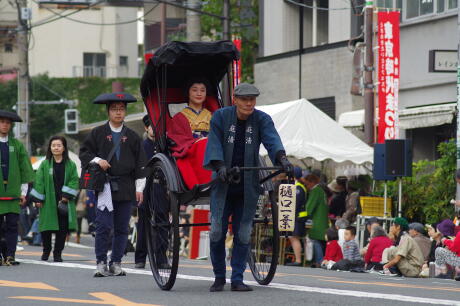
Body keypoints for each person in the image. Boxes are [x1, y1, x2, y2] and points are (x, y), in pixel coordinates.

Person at [203, 83, 292, 292]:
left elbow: (272, 141)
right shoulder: (220, 117)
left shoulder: (262, 119)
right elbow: (214, 143)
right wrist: (220, 166)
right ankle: (218, 276)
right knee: (217, 232)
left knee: (243, 233)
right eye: (244, 99)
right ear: (235, 99)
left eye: (252, 99)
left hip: (248, 185)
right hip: (223, 183)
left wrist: (282, 159)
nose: (249, 103)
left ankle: (237, 278)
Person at [79, 92, 147, 277]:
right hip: (105, 185)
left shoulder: (133, 136)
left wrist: (139, 188)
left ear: (125, 112)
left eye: (121, 109)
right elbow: (84, 153)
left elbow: (141, 164)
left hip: (126, 185)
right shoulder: (97, 132)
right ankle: (100, 262)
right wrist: (97, 159)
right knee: (103, 226)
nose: (118, 112)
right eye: (114, 109)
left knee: (122, 227)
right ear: (108, 112)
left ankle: (116, 262)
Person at [30, 136, 79, 262]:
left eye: (59, 145)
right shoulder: (44, 164)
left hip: (64, 202)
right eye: (53, 145)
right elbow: (39, 181)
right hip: (48, 201)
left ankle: (58, 254)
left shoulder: (71, 165)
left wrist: (66, 196)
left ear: (64, 148)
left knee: (62, 230)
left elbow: (74, 181)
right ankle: (46, 251)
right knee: (46, 228)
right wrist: (38, 199)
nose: (56, 148)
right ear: (50, 148)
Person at [0, 110, 34, 266]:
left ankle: (10, 255)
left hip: (13, 193)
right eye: (2, 122)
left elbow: (25, 169)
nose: (5, 125)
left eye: (7, 122)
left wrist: (23, 192)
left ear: (11, 125)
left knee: (13, 226)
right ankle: (1, 255)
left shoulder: (17, 145)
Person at [168, 77, 213, 189]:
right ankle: (206, 184)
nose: (199, 93)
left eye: (202, 90)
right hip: (191, 149)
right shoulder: (179, 117)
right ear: (187, 93)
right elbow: (177, 138)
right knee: (204, 144)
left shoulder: (213, 115)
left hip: (212, 147)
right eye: (194, 90)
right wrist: (198, 141)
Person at [134, 115, 157, 269]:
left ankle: (160, 257)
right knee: (143, 222)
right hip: (144, 185)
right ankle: (140, 258)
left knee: (162, 221)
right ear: (146, 128)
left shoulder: (165, 145)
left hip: (160, 185)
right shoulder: (141, 146)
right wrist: (138, 189)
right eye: (152, 126)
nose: (154, 130)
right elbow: (138, 170)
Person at [304, 173, 329, 267]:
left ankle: (319, 261)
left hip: (317, 221)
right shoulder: (321, 190)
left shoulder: (315, 191)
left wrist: (300, 215)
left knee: (314, 239)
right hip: (323, 220)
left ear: (312, 182)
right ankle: (320, 261)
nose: (306, 186)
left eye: (307, 184)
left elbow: (309, 208)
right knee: (319, 241)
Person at [286, 167, 308, 266]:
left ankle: (298, 260)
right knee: (292, 237)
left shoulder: (298, 188)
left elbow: (296, 203)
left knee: (294, 237)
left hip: (298, 216)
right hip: (296, 216)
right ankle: (297, 259)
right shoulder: (297, 186)